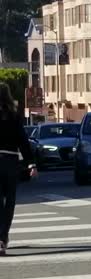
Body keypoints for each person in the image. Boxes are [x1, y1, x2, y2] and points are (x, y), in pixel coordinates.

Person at [0, 83, 37, 256]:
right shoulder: (14, 116)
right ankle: (2, 238)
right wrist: (31, 163)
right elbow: (23, 141)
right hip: (10, 161)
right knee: (10, 202)